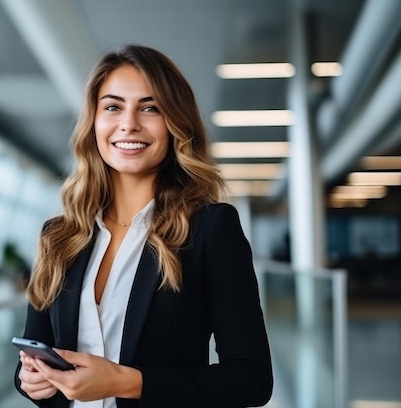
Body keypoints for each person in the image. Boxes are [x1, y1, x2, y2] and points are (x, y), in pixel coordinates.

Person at [14, 44, 273, 408]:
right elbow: (34, 354)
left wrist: (126, 382)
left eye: (149, 108)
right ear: (94, 122)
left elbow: (252, 380)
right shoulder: (60, 236)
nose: (129, 123)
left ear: (174, 124)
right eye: (113, 107)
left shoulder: (210, 229)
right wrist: (31, 380)